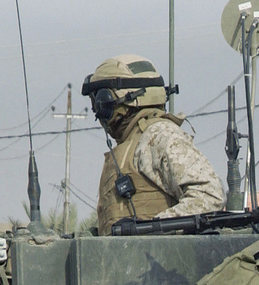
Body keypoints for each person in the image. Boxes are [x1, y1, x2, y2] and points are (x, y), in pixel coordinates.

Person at [82, 55, 224, 235]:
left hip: (162, 260)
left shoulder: (159, 135)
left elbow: (209, 196)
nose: (97, 112)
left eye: (100, 102)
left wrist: (151, 230)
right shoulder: (134, 143)